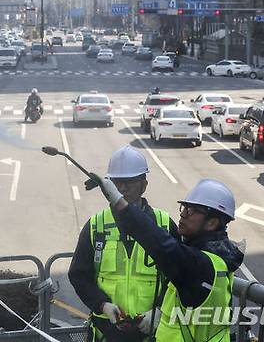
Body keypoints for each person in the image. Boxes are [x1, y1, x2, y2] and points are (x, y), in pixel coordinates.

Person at [93, 177, 243, 342]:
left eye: (192, 210)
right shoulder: (215, 261)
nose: (183, 214)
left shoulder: (200, 265)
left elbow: (161, 245)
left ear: (212, 223)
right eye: (184, 207)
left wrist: (119, 202)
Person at [69, 146, 179, 341]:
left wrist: (161, 311)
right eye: (117, 182)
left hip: (152, 331)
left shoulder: (163, 224)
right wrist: (102, 305)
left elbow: (180, 278)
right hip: (108, 331)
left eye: (129, 182)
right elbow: (79, 275)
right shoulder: (96, 225)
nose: (122, 189)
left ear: (144, 185)